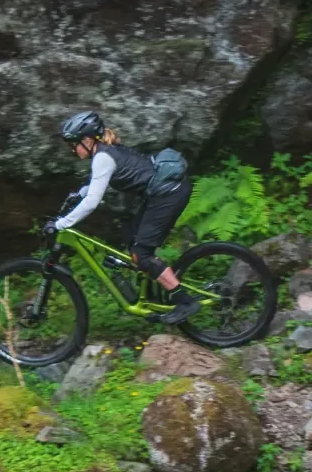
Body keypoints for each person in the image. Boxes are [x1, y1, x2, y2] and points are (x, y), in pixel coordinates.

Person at [44, 111, 200, 324]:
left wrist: (61, 224)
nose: (73, 150)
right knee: (131, 238)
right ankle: (153, 292)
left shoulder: (102, 158)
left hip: (169, 194)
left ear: (87, 140)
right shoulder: (106, 151)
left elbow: (92, 202)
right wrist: (78, 194)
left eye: (74, 145)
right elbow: (98, 183)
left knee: (140, 254)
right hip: (163, 191)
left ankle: (185, 301)